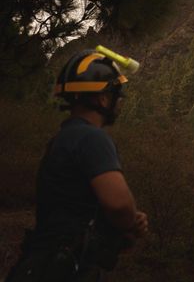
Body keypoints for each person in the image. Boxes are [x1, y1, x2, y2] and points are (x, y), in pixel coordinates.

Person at [6, 49, 149, 282]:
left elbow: (76, 205)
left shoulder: (64, 138)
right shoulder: (93, 138)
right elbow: (120, 205)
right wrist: (131, 221)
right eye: (117, 94)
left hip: (40, 264)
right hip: (66, 269)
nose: (120, 102)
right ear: (103, 98)